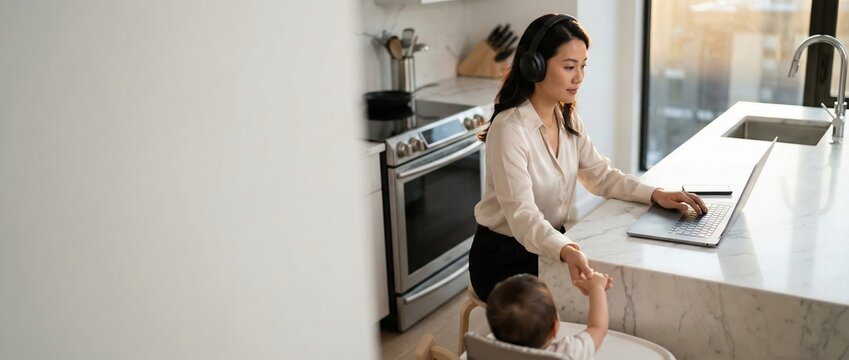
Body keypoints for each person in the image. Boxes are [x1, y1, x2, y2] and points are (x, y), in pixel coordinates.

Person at [470, 13, 707, 302]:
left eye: (583, 66)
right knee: (592, 299)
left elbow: (602, 177)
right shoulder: (510, 129)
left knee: (613, 288)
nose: (579, 77)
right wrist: (567, 248)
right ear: (535, 67)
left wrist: (656, 194)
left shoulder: (566, 116)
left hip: (550, 243)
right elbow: (522, 216)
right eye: (569, 67)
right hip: (504, 258)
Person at [486, 273, 611, 357]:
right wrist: (597, 288)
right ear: (554, 328)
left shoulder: (490, 354)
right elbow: (597, 328)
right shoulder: (567, 353)